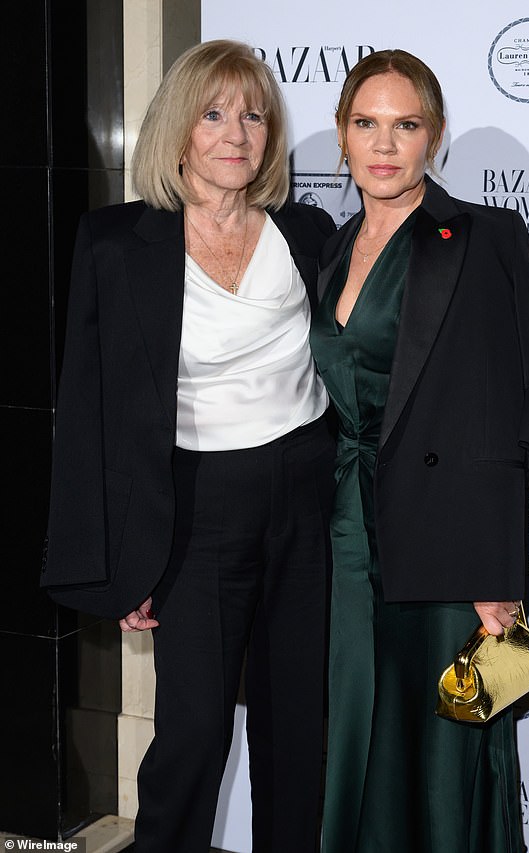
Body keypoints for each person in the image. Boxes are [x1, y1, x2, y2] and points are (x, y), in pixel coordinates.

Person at [41, 39, 336, 853]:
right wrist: (119, 563)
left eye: (252, 114)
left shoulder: (307, 233)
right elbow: (92, 414)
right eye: (213, 114)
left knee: (297, 728)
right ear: (179, 131)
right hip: (195, 507)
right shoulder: (114, 243)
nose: (236, 132)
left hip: (307, 502)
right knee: (194, 734)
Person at [310, 49, 529, 852]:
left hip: (448, 548)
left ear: (436, 137)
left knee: (446, 748)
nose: (384, 144)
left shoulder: (482, 236)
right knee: (357, 729)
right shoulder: (328, 246)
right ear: (342, 138)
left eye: (406, 124)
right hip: (343, 534)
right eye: (366, 123)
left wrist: (498, 577)